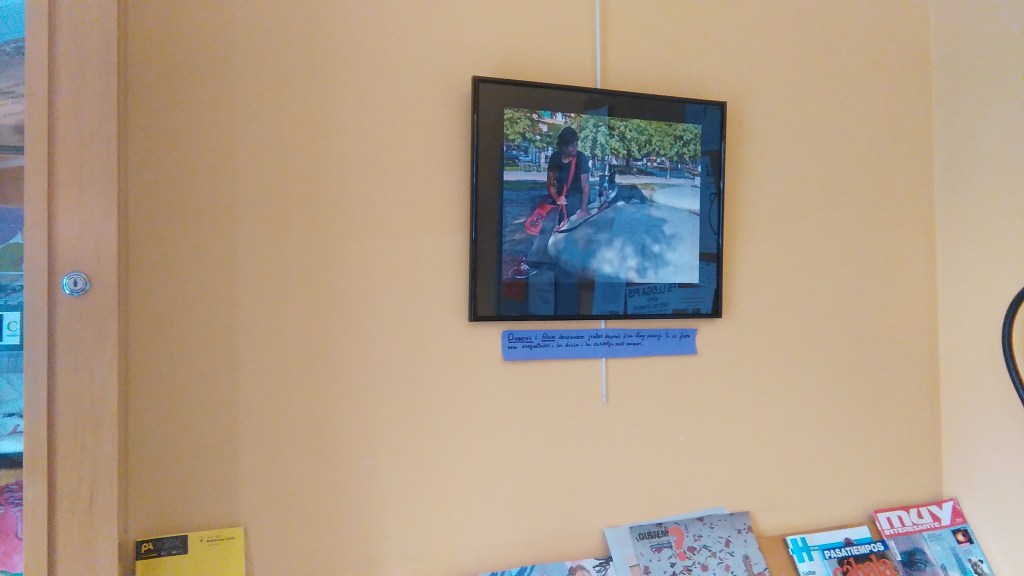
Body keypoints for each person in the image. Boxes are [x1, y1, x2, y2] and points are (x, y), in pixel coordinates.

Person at [546, 126, 590, 225]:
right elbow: (550, 184)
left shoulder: (581, 158)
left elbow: (585, 186)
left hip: (578, 196)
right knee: (549, 219)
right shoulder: (555, 157)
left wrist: (584, 208)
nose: (575, 148)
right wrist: (557, 198)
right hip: (560, 196)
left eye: (576, 144)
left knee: (568, 216)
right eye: (572, 145)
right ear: (563, 146)